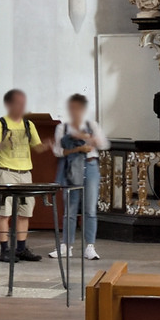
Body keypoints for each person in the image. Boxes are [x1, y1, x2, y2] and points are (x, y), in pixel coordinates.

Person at [0, 88, 42, 262]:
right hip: (6, 172)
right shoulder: (0, 123)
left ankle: (20, 248)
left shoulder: (28, 124)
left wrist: (49, 145)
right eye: (18, 103)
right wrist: (4, 143)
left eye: (23, 103)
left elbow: (38, 146)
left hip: (25, 174)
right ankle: (4, 250)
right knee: (5, 213)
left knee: (24, 213)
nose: (21, 106)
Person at [53, 93, 105, 262]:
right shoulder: (63, 128)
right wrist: (77, 149)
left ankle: (90, 246)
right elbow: (57, 151)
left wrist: (86, 138)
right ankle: (66, 245)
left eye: (78, 108)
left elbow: (104, 144)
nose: (75, 111)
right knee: (70, 208)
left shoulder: (91, 125)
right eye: (72, 108)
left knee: (90, 208)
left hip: (90, 166)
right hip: (71, 167)